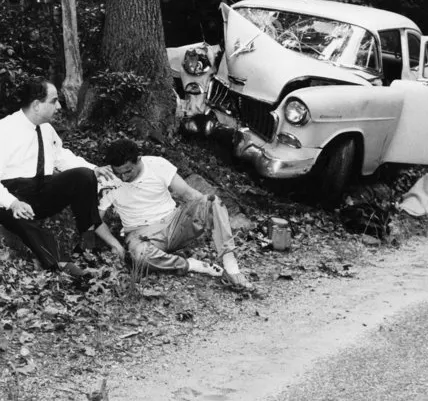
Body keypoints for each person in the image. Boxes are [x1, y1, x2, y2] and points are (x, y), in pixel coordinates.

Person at [0, 78, 125, 276]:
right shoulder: (4, 130)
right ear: (36, 105)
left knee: (84, 176)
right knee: (21, 219)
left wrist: (94, 168)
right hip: (12, 194)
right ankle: (66, 266)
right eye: (54, 101)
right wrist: (13, 203)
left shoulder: (46, 129)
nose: (59, 106)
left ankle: (87, 244)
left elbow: (61, 157)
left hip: (43, 189)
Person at [99, 138, 253, 290]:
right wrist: (115, 244)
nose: (124, 178)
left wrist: (209, 214)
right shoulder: (107, 179)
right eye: (118, 173)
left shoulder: (157, 164)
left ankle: (231, 267)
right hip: (141, 234)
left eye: (128, 171)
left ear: (138, 160)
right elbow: (95, 219)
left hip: (175, 223)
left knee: (212, 201)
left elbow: (188, 194)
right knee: (139, 255)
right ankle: (191, 264)